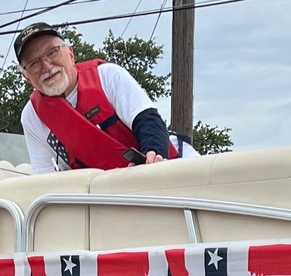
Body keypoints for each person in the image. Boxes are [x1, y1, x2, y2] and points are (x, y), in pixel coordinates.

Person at [13, 23, 181, 175]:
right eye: (34, 63)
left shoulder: (107, 75)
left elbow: (147, 120)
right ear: (27, 77)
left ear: (70, 54)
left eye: (52, 53)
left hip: (157, 171)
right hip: (99, 195)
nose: (47, 66)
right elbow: (45, 174)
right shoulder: (32, 116)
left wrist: (154, 155)